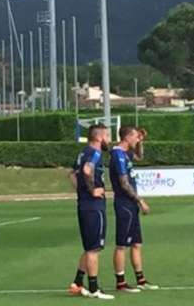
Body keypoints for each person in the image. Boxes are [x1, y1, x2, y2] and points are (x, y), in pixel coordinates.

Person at [67, 124, 115, 300]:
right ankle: (94, 288)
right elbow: (87, 171)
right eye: (107, 136)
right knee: (94, 248)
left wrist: (81, 191)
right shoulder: (95, 153)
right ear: (99, 137)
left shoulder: (82, 153)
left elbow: (72, 174)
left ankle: (78, 282)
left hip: (84, 205)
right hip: (93, 207)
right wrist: (92, 190)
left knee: (89, 247)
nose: (109, 140)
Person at [110, 126, 159, 293]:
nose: (138, 139)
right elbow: (124, 183)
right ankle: (121, 282)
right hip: (124, 204)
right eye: (136, 137)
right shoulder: (117, 155)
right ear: (127, 137)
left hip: (131, 203)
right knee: (122, 245)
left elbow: (139, 156)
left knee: (137, 243)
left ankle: (141, 279)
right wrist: (141, 200)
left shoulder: (126, 153)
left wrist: (141, 142)